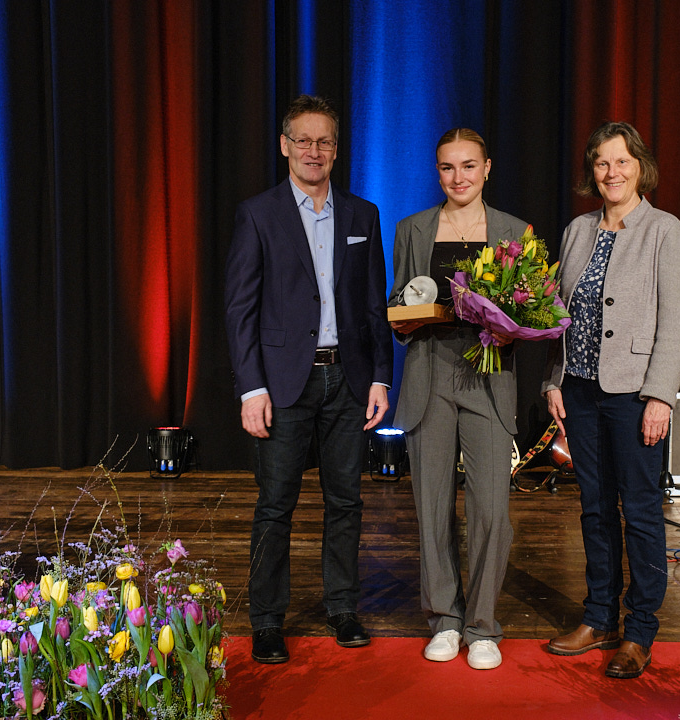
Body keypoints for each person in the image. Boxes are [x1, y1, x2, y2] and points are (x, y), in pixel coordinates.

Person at [224, 95, 393, 664]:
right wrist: (251, 387)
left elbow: (374, 306)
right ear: (285, 146)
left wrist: (381, 378)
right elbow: (240, 309)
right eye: (304, 140)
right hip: (281, 384)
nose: (314, 151)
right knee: (275, 505)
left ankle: (342, 608)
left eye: (324, 142)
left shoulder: (362, 215)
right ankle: (267, 620)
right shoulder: (258, 214)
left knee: (346, 501)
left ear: (337, 150)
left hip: (349, 379)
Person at [541, 121, 680, 679]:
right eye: (602, 163)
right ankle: (598, 615)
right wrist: (554, 380)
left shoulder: (665, 231)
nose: (611, 173)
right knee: (595, 507)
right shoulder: (577, 230)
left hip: (635, 393)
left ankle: (640, 630)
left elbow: (677, 322)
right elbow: (557, 314)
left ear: (640, 167)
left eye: (621, 162)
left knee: (642, 512)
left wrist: (661, 397)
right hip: (579, 389)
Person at [389, 128, 528, 671]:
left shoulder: (514, 230)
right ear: (437, 171)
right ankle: (445, 619)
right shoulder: (412, 229)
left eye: (469, 166)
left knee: (493, 509)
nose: (458, 178)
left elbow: (530, 311)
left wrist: (515, 327)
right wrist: (403, 323)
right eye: (448, 168)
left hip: (489, 378)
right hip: (429, 375)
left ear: (487, 168)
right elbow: (399, 304)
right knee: (431, 508)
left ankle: (483, 625)